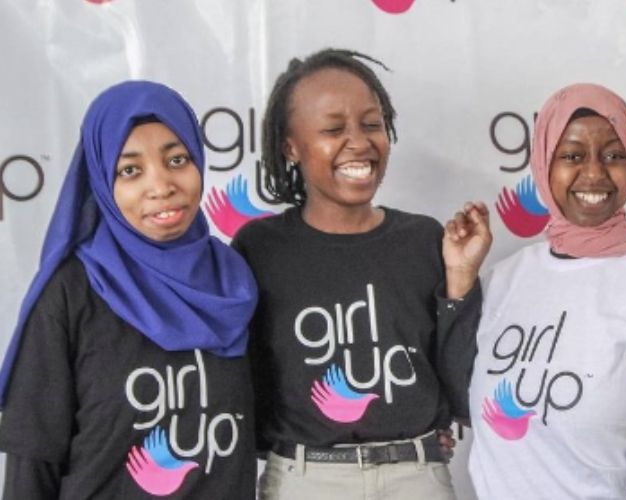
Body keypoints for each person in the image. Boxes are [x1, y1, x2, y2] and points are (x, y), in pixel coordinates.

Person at [231, 48, 490, 500]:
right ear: (290, 146)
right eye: (333, 129)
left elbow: (461, 391)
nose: (358, 142)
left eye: (371, 124)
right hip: (304, 481)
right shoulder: (260, 248)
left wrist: (461, 278)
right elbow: (248, 384)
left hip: (417, 478)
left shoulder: (423, 239)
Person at [0, 81, 260, 499]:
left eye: (177, 160)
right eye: (130, 171)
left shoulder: (234, 281)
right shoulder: (71, 292)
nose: (161, 186)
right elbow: (33, 457)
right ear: (102, 182)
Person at [466, 83, 626, 500]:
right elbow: (456, 402)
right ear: (544, 163)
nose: (595, 173)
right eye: (572, 156)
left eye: (614, 156)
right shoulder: (502, 278)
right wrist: (459, 282)